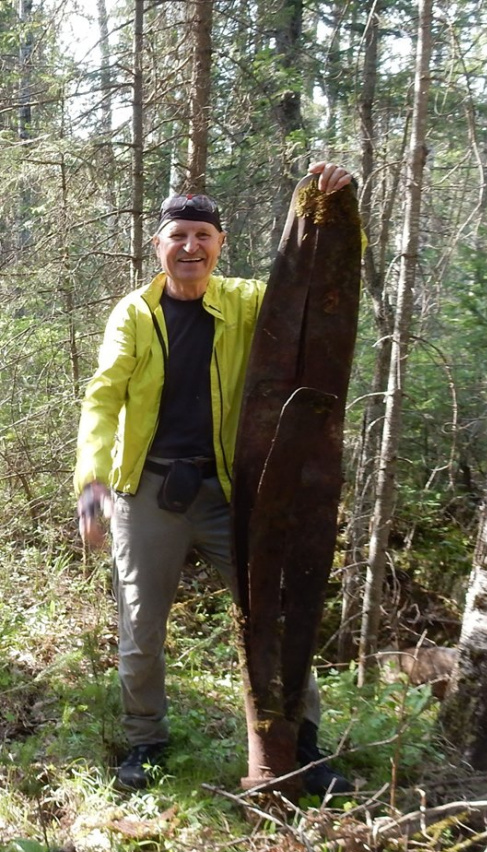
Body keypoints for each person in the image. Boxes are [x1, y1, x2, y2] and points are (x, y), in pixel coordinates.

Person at [74, 161, 354, 794]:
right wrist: (93, 481)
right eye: (179, 236)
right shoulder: (134, 315)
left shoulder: (248, 302)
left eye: (203, 235)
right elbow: (103, 397)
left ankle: (302, 742)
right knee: (141, 626)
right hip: (150, 491)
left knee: (275, 617)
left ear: (220, 245)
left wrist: (321, 207)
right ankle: (146, 743)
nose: (190, 247)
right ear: (159, 246)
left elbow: (306, 286)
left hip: (234, 493)